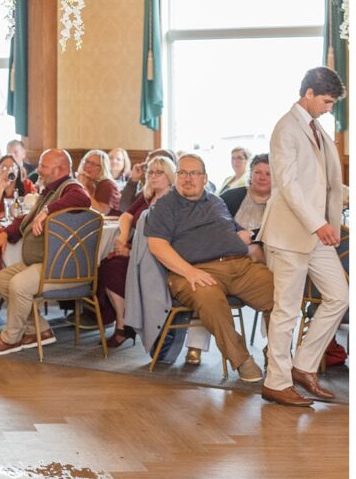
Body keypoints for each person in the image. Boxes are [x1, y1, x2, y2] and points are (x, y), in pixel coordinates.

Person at [260, 67, 348, 407]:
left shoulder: (316, 129)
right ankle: (276, 382)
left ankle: (303, 366)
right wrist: (318, 224)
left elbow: (324, 181)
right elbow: (288, 185)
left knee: (339, 297)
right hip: (289, 234)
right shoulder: (286, 127)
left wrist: (332, 218)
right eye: (326, 101)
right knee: (287, 310)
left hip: (317, 234)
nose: (329, 108)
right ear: (309, 93)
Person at [145, 153, 274, 383]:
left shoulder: (216, 201)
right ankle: (242, 360)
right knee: (210, 300)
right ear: (176, 177)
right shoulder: (166, 205)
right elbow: (156, 245)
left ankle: (276, 354)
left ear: (205, 178)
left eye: (194, 173)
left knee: (281, 293)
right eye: (183, 173)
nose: (188, 178)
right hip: (194, 270)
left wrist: (245, 243)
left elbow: (235, 232)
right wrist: (189, 271)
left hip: (238, 265)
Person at [0, 149, 92, 355]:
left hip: (59, 267)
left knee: (18, 284)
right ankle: (39, 329)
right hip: (40, 263)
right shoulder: (49, 190)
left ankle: (11, 338)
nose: (37, 169)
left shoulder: (71, 188)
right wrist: (7, 232)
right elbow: (28, 217)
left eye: (43, 166)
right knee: (2, 279)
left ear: (59, 170)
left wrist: (48, 211)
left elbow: (83, 200)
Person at [97, 155, 176, 348]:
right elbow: (126, 215)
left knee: (114, 266)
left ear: (170, 175)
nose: (154, 176)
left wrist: (132, 252)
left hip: (154, 254)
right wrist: (123, 238)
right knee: (107, 265)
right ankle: (123, 322)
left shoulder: (174, 200)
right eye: (151, 172)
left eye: (159, 172)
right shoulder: (146, 195)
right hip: (134, 246)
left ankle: (125, 326)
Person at [76, 149, 121, 215]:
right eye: (86, 162)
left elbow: (101, 212)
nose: (88, 166)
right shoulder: (83, 181)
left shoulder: (108, 185)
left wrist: (84, 187)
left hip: (106, 223)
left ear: (102, 168)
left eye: (93, 164)